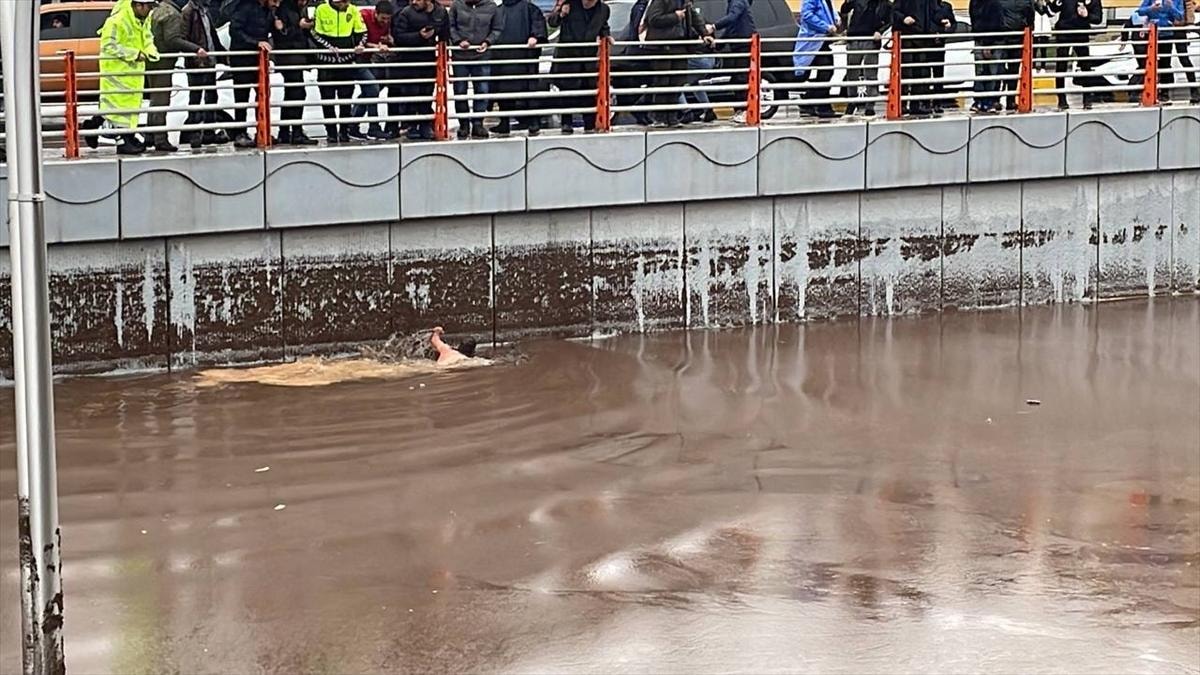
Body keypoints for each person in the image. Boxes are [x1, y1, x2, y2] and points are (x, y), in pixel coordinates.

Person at [82, 0, 160, 156]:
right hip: (116, 71)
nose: (151, 10)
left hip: (133, 72)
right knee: (116, 106)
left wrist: (151, 53)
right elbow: (108, 45)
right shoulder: (116, 20)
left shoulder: (143, 20)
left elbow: (147, 38)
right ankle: (122, 139)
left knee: (128, 106)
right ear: (138, 5)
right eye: (149, 6)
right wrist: (134, 54)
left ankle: (122, 134)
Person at [145, 0, 207, 153]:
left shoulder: (158, 10)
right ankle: (160, 139)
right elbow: (172, 39)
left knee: (155, 100)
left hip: (152, 60)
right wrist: (195, 48)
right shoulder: (172, 14)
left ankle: (149, 135)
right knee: (161, 100)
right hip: (163, 62)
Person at [644, 0, 714, 127]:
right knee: (663, 82)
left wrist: (704, 33)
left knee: (677, 82)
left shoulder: (685, 2)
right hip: (663, 47)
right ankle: (660, 117)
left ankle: (672, 117)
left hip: (680, 46)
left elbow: (694, 17)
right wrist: (675, 17)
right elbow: (653, 19)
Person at [548, 0, 612, 133]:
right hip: (568, 58)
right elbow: (552, 22)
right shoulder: (570, 4)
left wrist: (607, 36)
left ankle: (589, 125)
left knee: (589, 94)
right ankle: (567, 124)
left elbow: (603, 26)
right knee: (567, 93)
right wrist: (561, 14)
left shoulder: (604, 9)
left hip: (588, 59)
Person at [312, 0, 369, 143]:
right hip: (326, 61)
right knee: (327, 99)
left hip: (346, 60)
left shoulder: (353, 10)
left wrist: (359, 45)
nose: (346, 4)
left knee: (346, 99)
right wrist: (328, 47)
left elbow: (362, 32)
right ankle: (331, 132)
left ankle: (344, 131)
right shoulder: (321, 9)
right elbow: (314, 32)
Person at [391, 0, 449, 140]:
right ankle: (412, 125)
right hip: (409, 61)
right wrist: (419, 36)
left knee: (427, 93)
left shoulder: (441, 13)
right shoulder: (406, 13)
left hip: (429, 60)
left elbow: (445, 35)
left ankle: (425, 124)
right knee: (411, 93)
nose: (414, 2)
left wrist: (438, 39)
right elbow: (398, 37)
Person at [228, 0, 279, 148]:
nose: (276, 4)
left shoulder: (268, 12)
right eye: (274, 1)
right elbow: (234, 31)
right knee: (242, 96)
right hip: (242, 58)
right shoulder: (244, 7)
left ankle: (261, 131)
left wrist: (278, 28)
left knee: (262, 95)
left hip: (259, 59)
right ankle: (240, 132)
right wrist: (255, 43)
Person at [450, 0, 504, 139]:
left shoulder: (492, 7)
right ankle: (464, 124)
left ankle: (478, 123)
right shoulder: (456, 5)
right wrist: (458, 41)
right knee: (460, 90)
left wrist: (488, 42)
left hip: (482, 55)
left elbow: (497, 29)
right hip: (460, 55)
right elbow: (450, 26)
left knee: (482, 90)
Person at [493, 0, 547, 137]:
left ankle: (533, 122)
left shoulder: (530, 8)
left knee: (529, 90)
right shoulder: (498, 10)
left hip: (524, 57)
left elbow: (539, 28)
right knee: (503, 91)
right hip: (502, 58)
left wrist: (535, 36)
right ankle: (504, 122)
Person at [181, 0, 230, 149]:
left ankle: (209, 132)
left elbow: (212, 35)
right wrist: (195, 50)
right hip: (196, 62)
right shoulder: (188, 11)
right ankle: (194, 134)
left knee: (211, 96)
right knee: (195, 98)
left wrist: (223, 56)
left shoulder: (205, 11)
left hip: (209, 60)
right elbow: (183, 37)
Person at [274, 0, 319, 145]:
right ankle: (295, 132)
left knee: (292, 94)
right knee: (297, 93)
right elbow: (281, 34)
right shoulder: (285, 10)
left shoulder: (296, 9)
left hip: (296, 56)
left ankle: (285, 131)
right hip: (289, 56)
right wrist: (299, 26)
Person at [1046, 0, 1102, 109]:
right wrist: (1047, 4)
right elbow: (1051, 11)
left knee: (1085, 66)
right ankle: (1061, 100)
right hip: (1064, 33)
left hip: (1081, 33)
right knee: (1061, 66)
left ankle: (1087, 99)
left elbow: (1098, 18)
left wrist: (1087, 15)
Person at [354, 0, 397, 139]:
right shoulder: (363, 16)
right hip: (356, 58)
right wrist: (376, 46)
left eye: (388, 19)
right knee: (373, 88)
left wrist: (389, 41)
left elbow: (382, 38)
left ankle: (352, 124)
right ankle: (373, 126)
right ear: (375, 13)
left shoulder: (387, 23)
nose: (385, 21)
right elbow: (358, 39)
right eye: (383, 18)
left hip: (368, 59)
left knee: (370, 91)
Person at [840, 0, 891, 116]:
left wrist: (880, 31)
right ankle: (852, 102)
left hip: (870, 40)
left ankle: (869, 106)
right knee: (852, 74)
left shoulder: (885, 4)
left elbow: (890, 20)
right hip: (855, 38)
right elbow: (844, 9)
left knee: (870, 74)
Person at [795, 0, 842, 118]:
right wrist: (826, 26)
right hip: (814, 40)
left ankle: (809, 102)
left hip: (822, 39)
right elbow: (807, 15)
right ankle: (820, 106)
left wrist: (836, 19)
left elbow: (828, 11)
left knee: (826, 71)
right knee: (826, 70)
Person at [892, 0, 939, 116]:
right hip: (908, 37)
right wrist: (903, 18)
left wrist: (939, 23)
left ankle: (917, 104)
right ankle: (902, 104)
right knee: (906, 73)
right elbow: (894, 11)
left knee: (922, 73)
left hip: (924, 38)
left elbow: (936, 11)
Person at [1135, 0, 1187, 102]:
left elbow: (1180, 16)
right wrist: (1151, 8)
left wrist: (1171, 7)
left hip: (1167, 34)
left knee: (1165, 63)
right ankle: (1147, 91)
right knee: (1148, 63)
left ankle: (1164, 92)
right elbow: (1139, 11)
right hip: (1151, 34)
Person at [713, 0, 756, 122]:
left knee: (741, 78)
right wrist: (719, 44)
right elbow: (731, 26)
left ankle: (745, 111)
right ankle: (741, 110)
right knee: (738, 79)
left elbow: (732, 18)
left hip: (743, 45)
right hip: (741, 44)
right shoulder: (738, 2)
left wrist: (714, 26)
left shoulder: (737, 1)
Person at [996, 0, 1034, 110]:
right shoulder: (1026, 2)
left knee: (999, 68)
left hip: (1002, 36)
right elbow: (1030, 17)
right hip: (1018, 36)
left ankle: (996, 99)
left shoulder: (999, 2)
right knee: (1014, 69)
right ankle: (1011, 100)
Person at [969, 0, 1005, 112]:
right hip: (983, 40)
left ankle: (986, 101)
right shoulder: (978, 2)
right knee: (983, 72)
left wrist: (988, 43)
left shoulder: (991, 3)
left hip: (990, 41)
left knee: (988, 72)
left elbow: (995, 24)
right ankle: (983, 101)